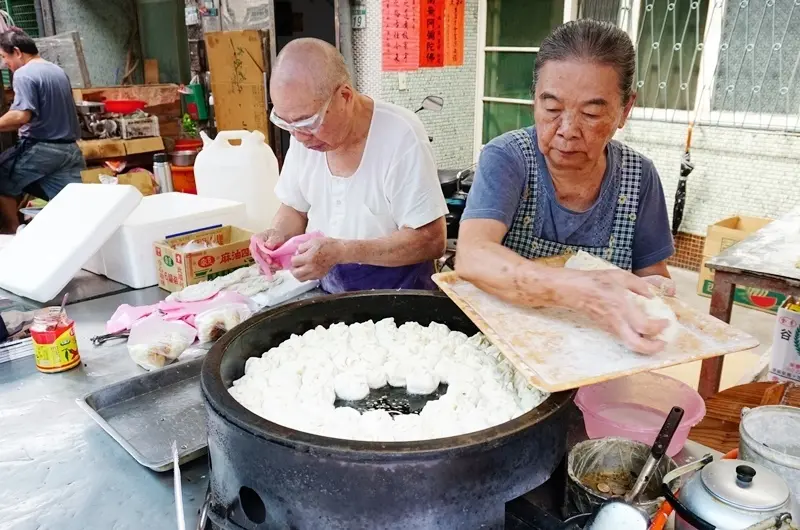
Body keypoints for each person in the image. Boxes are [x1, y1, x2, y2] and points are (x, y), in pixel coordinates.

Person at [457, 20, 676, 354]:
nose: (567, 129)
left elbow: (651, 276)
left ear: (625, 109)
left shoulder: (639, 176)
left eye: (590, 113)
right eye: (552, 109)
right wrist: (581, 291)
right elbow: (473, 256)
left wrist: (655, 296)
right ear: (535, 100)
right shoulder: (508, 157)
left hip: (601, 356)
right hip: (508, 350)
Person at [255, 38, 447, 293]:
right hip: (326, 291)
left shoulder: (401, 135)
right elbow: (294, 208)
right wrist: (277, 235)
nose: (299, 136)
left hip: (398, 297)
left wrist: (343, 251)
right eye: (286, 124)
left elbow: (431, 241)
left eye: (307, 123)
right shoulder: (302, 136)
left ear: (344, 96)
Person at [0, 28, 84, 234]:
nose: (5, 64)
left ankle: (13, 232)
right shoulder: (57, 71)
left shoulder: (24, 74)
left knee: (2, 175)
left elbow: (21, 116)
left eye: (4, 57)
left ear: (17, 52)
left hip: (42, 149)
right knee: (74, 203)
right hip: (70, 150)